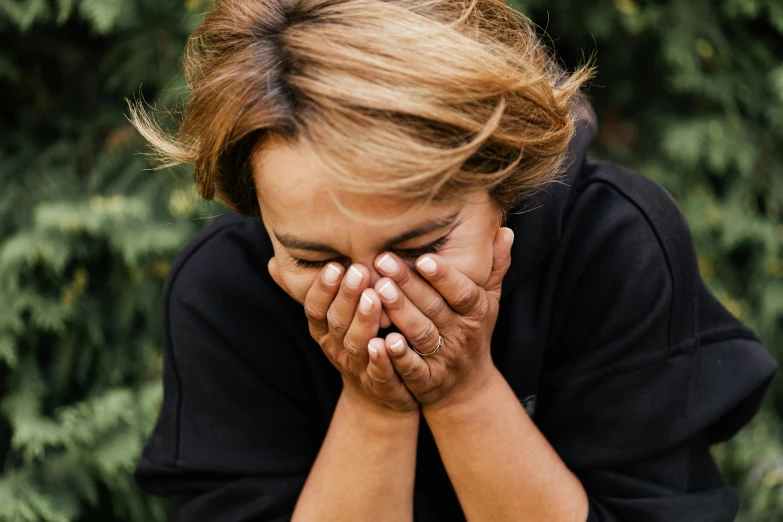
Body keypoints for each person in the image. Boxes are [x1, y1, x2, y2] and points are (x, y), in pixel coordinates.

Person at [130, 1, 778, 520]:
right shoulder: (221, 291)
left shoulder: (612, 243)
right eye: (312, 258)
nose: (374, 295)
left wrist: (463, 393)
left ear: (505, 185)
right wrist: (375, 406)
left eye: (419, 249)